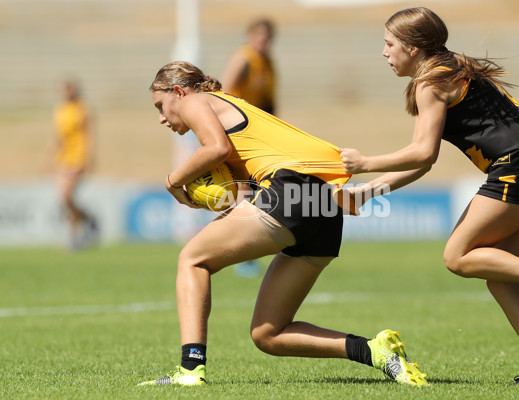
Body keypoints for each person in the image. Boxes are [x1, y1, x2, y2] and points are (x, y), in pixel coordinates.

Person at [138, 61, 428, 387]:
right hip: (323, 205)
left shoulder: (194, 101)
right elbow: (241, 181)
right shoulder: (231, 103)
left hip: (289, 191)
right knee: (268, 333)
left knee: (192, 259)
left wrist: (173, 181)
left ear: (178, 91)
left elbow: (215, 149)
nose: (162, 117)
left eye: (160, 106)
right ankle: (374, 351)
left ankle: (190, 370)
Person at [340, 7, 519, 385]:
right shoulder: (452, 65)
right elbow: (424, 162)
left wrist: (365, 163)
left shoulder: (430, 83)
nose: (384, 53)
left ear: (414, 48)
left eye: (389, 44)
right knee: (498, 271)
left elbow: (423, 153)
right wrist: (370, 191)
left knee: (457, 256)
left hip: (516, 168)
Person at [221, 18, 277, 278]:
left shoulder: (267, 64)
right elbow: (224, 92)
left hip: (257, 135)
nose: (263, 41)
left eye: (267, 37)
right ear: (250, 36)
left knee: (253, 190)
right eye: (259, 36)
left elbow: (268, 104)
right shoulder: (244, 59)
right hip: (238, 132)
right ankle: (238, 251)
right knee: (245, 190)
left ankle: (244, 251)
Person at [51, 79, 98, 251]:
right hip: (64, 160)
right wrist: (51, 158)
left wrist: (87, 158)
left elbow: (90, 135)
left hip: (77, 159)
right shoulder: (60, 110)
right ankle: (84, 223)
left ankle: (77, 233)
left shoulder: (82, 108)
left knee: (66, 197)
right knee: (64, 200)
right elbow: (58, 136)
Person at [221, 18, 277, 115]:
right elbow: (224, 89)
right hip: (237, 115)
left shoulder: (267, 62)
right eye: (259, 34)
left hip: (254, 117)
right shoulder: (243, 59)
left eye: (267, 35)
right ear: (250, 35)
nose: (263, 38)